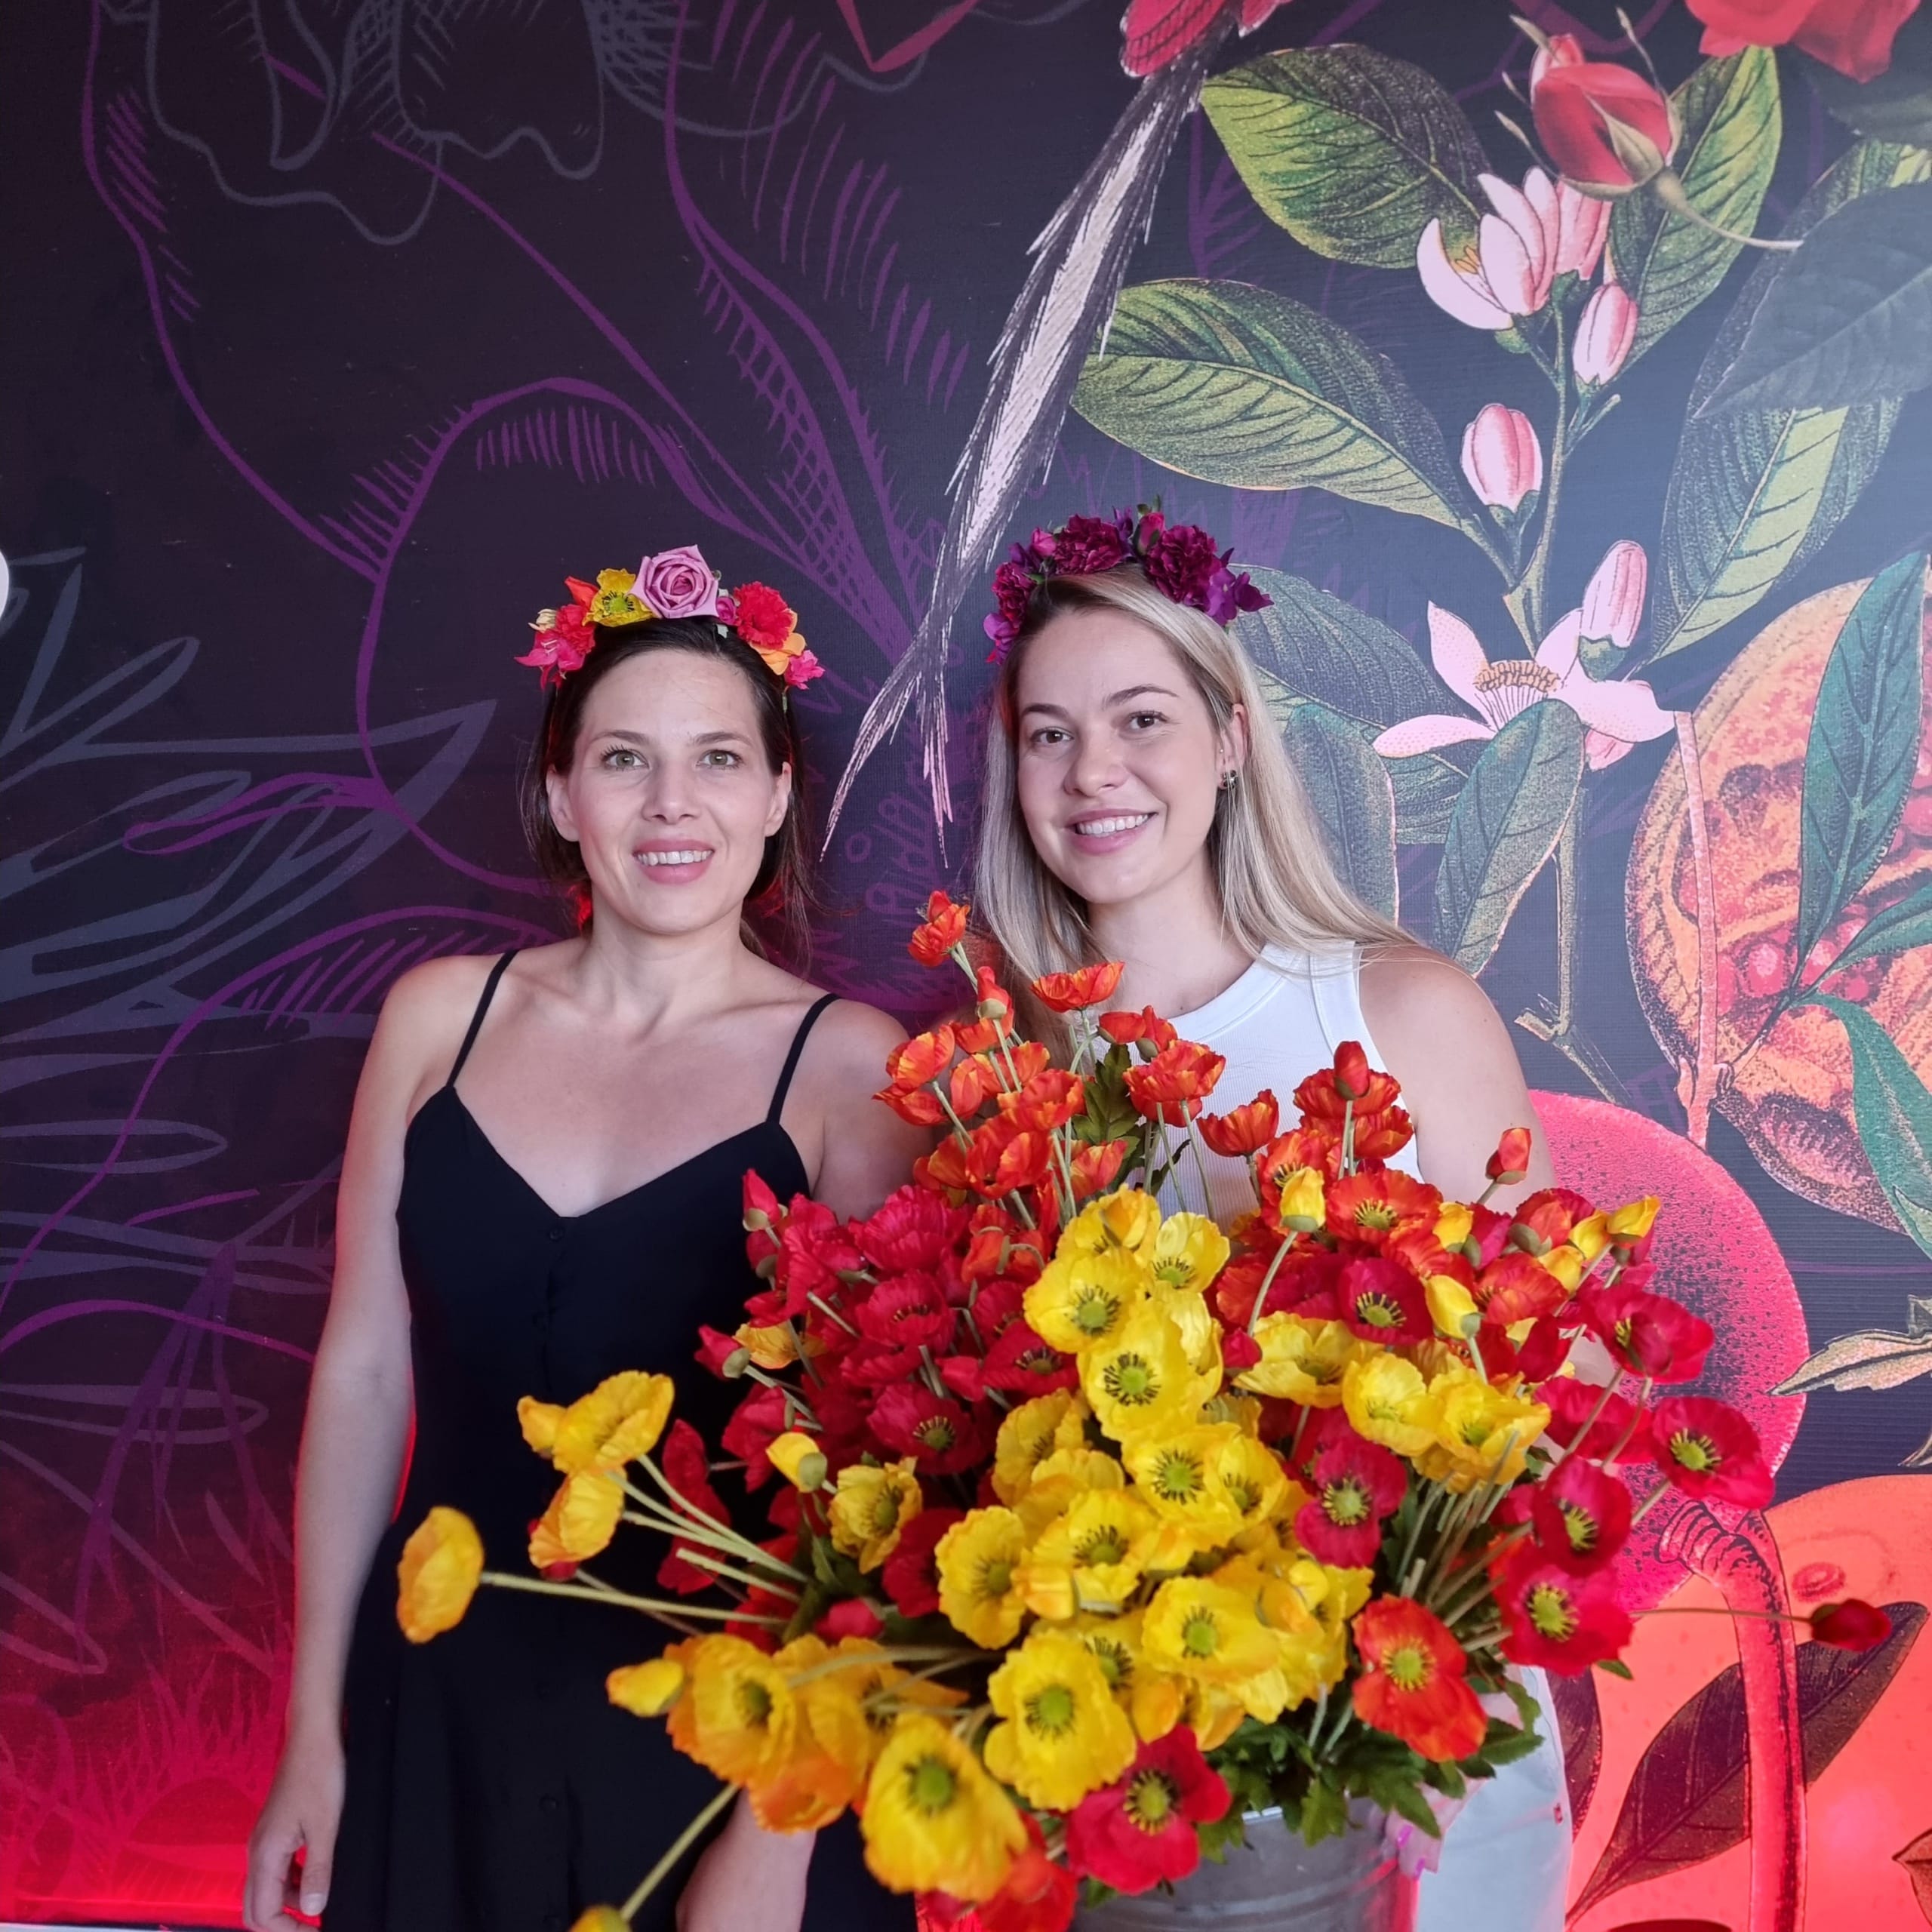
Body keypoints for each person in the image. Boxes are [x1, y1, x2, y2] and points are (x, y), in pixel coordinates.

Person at [245, 552, 928, 1932]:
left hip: (717, 1736)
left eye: (719, 758)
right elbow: (366, 1375)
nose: (673, 804)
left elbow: (885, 1483)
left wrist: (776, 1820)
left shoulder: (854, 1068)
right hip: (438, 1702)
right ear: (563, 795)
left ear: (780, 792)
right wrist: (313, 1727)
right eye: (625, 758)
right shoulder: (437, 1019)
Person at [973, 515, 1571, 1931]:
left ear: (1233, 738)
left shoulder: (1397, 1013)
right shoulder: (1003, 1076)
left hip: (1403, 1753)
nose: (1091, 772)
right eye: (1048, 734)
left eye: (1140, 720)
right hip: (1130, 1762)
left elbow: (1560, 1394)